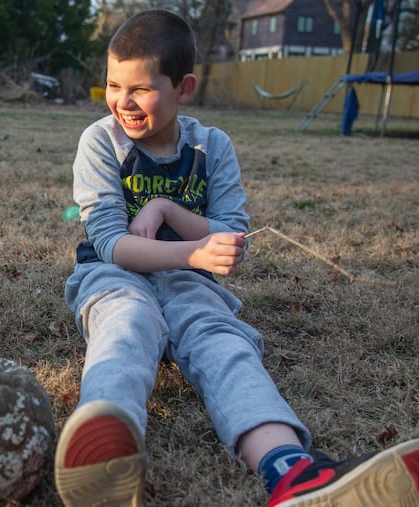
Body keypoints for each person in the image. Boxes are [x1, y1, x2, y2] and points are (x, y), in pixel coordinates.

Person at [53, 9, 419, 507]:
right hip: (115, 277)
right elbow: (113, 244)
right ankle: (101, 459)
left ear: (184, 88)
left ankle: (289, 470)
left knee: (223, 344)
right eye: (114, 85)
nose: (123, 101)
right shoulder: (100, 141)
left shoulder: (213, 146)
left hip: (190, 284)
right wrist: (196, 250)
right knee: (125, 325)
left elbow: (233, 235)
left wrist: (168, 210)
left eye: (140, 88)